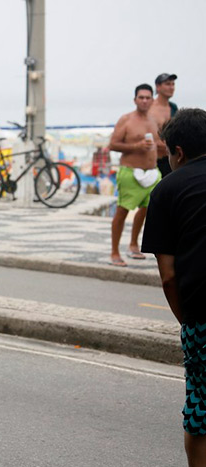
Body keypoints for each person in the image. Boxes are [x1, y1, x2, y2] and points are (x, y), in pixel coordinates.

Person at [141, 108, 206, 466]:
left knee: (200, 413)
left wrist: (190, 322)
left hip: (202, 316)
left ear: (178, 152)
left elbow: (168, 276)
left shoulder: (166, 190)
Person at [108, 84, 165, 267]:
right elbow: (113, 144)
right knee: (122, 210)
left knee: (147, 209)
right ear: (135, 100)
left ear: (152, 99)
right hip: (130, 171)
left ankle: (134, 244)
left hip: (152, 172)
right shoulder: (126, 120)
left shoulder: (154, 120)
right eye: (141, 97)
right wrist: (136, 146)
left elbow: (158, 144)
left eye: (148, 97)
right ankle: (114, 251)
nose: (145, 100)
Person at [149, 73, 178, 177]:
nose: (171, 87)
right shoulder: (149, 107)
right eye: (167, 84)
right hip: (153, 160)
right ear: (158, 86)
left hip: (171, 159)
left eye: (173, 84)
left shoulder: (173, 107)